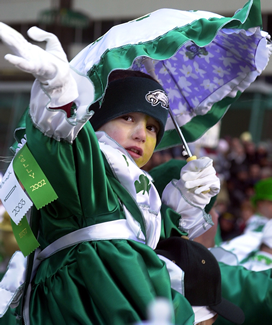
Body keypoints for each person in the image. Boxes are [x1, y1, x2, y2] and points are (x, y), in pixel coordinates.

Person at [0, 23, 221, 325]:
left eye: (152, 127)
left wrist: (186, 200)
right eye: (127, 116)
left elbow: (137, 234)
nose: (141, 134)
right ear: (97, 121)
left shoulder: (137, 188)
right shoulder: (88, 171)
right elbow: (63, 149)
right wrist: (60, 97)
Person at [150, 158, 272, 325]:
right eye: (212, 208)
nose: (216, 216)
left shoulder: (134, 258)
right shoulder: (199, 275)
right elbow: (262, 293)